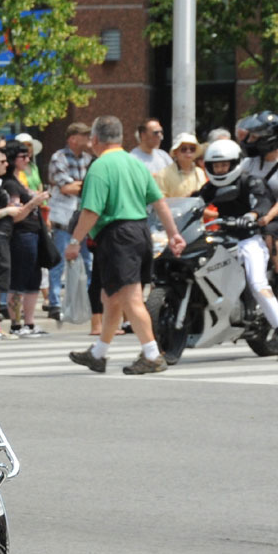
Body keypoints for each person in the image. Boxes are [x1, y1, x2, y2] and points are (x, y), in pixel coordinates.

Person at [67, 115, 185, 374]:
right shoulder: (136, 165)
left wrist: (74, 241)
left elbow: (91, 211)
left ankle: (152, 354)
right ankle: (98, 353)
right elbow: (159, 202)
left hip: (117, 236)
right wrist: (173, 233)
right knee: (110, 296)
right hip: (139, 232)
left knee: (130, 298)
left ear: (95, 139)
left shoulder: (100, 166)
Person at [198, 139, 278, 360]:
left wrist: (251, 216)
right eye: (216, 166)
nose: (220, 169)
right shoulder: (210, 187)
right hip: (222, 237)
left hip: (250, 239)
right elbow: (196, 202)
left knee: (258, 284)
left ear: (235, 164)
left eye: (225, 165)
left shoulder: (250, 182)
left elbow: (262, 203)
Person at [237, 111, 278, 287]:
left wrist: (267, 218)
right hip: (255, 215)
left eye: (255, 136)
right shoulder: (249, 163)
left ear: (270, 138)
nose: (250, 140)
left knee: (270, 233)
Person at [2, 140, 51, 336]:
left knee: (34, 279)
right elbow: (16, 215)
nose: (27, 159)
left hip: (34, 233)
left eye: (28, 155)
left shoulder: (21, 179)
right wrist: (34, 202)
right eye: (23, 156)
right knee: (19, 280)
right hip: (21, 235)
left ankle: (29, 323)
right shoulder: (10, 184)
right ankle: (16, 324)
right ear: (13, 159)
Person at [46, 122, 93, 323]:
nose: (88, 139)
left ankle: (86, 302)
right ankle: (55, 304)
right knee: (59, 262)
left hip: (83, 219)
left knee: (87, 262)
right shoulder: (59, 157)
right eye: (84, 135)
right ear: (73, 138)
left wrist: (77, 185)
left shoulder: (88, 158)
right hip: (64, 219)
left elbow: (80, 186)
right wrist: (83, 185)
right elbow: (66, 188)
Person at [154, 132, 207, 198]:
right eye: (184, 149)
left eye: (192, 149)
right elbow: (160, 201)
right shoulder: (163, 175)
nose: (188, 151)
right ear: (175, 152)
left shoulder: (200, 173)